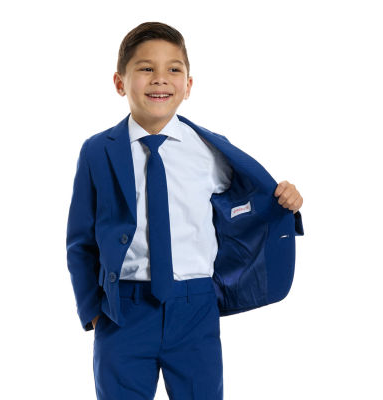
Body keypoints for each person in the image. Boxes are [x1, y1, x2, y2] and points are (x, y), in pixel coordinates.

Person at [66, 21, 304, 400]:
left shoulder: (208, 149)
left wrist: (284, 201)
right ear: (120, 82)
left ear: (188, 85)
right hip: (123, 310)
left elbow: (251, 202)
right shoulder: (98, 151)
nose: (160, 78)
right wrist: (92, 311)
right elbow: (80, 240)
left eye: (173, 69)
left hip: (194, 307)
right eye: (146, 68)